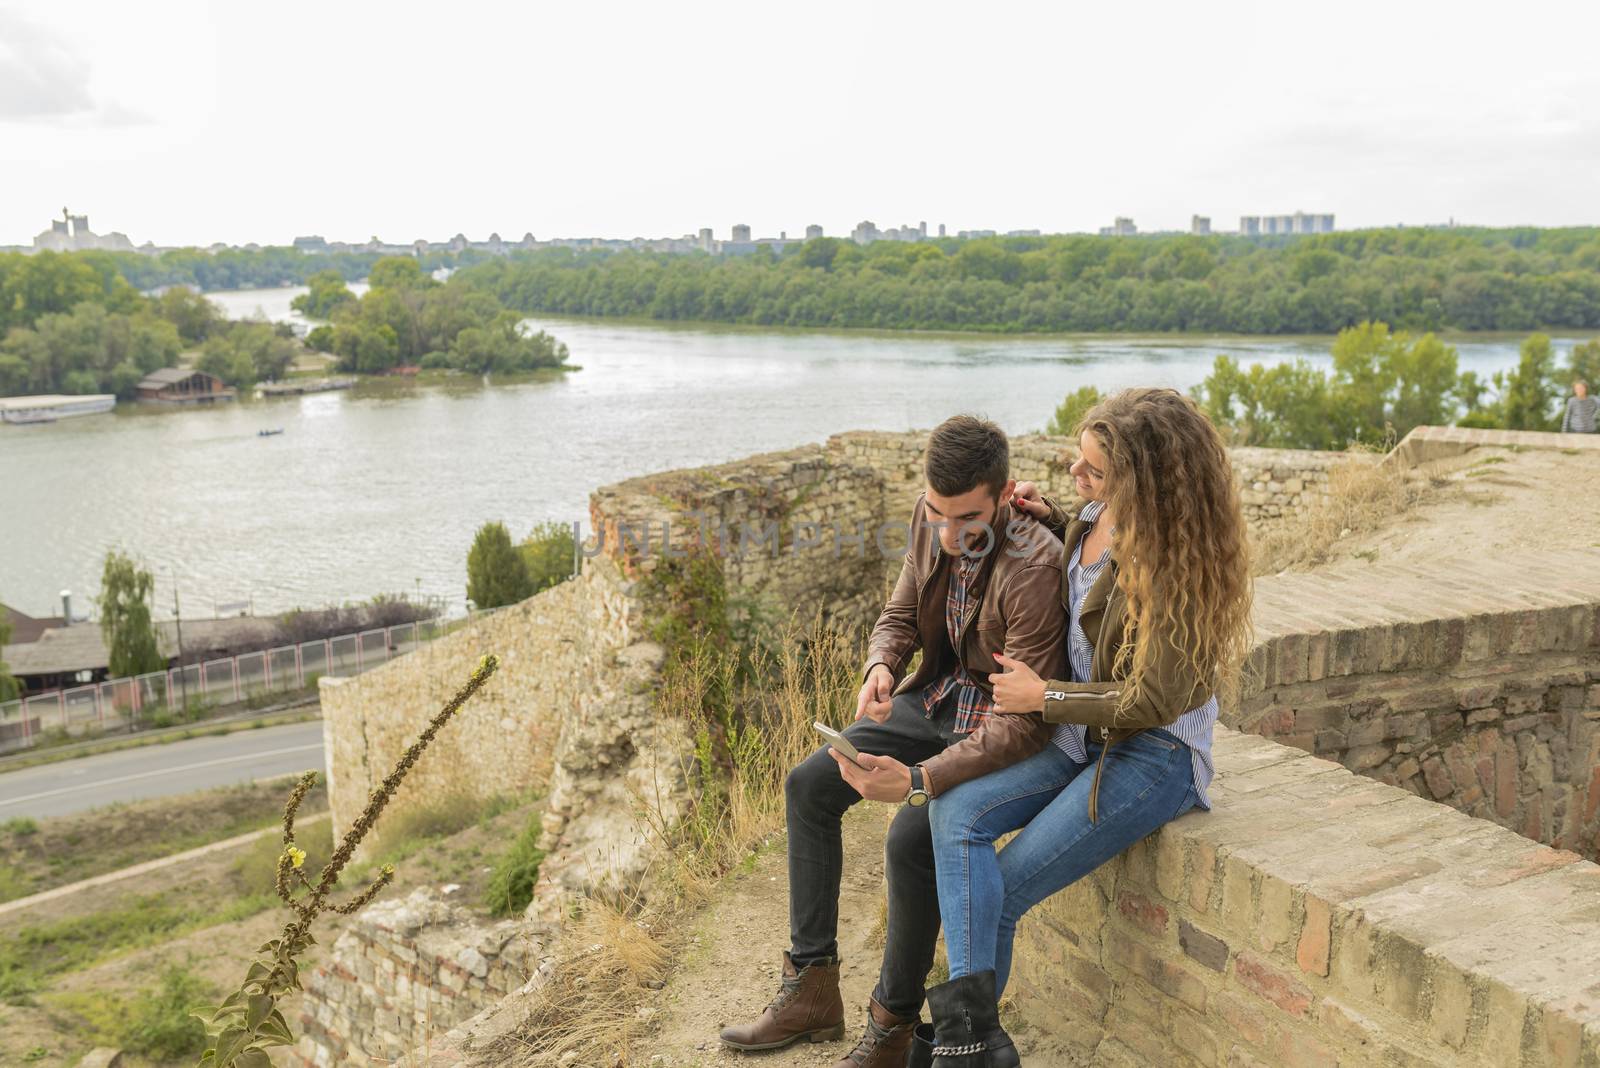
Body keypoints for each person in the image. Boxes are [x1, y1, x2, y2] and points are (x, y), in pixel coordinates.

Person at [718, 414, 1068, 1068]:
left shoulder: (1035, 564)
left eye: (968, 518)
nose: (948, 532)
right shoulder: (927, 519)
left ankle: (892, 1027)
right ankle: (812, 990)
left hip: (991, 723)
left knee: (912, 834)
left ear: (1005, 494)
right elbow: (900, 614)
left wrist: (913, 782)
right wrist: (881, 665)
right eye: (938, 513)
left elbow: (1022, 725)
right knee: (808, 786)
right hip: (932, 696)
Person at [921, 388, 1254, 1067]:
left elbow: (1152, 698)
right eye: (1080, 464)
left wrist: (1045, 694)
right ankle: (975, 1047)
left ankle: (962, 1051)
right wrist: (1048, 518)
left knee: (1004, 889)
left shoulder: (1175, 566)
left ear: (1144, 485)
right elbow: (1087, 590)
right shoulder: (1096, 517)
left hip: (1151, 755)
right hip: (1078, 738)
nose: (1078, 478)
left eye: (1094, 471)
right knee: (952, 811)